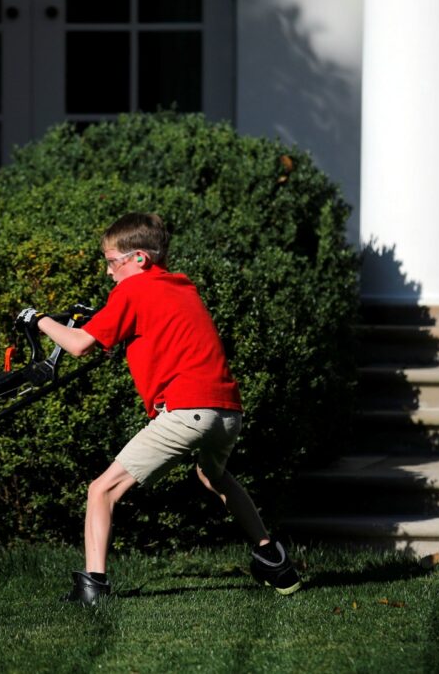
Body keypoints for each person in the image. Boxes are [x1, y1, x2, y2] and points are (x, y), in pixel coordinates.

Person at [15, 212, 301, 604]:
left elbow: (79, 345)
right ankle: (273, 558)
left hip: (187, 410)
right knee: (212, 475)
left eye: (112, 261)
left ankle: (91, 588)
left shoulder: (131, 291)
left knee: (101, 491)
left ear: (139, 259)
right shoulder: (182, 287)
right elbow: (139, 326)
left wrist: (39, 319)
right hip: (227, 412)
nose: (108, 272)